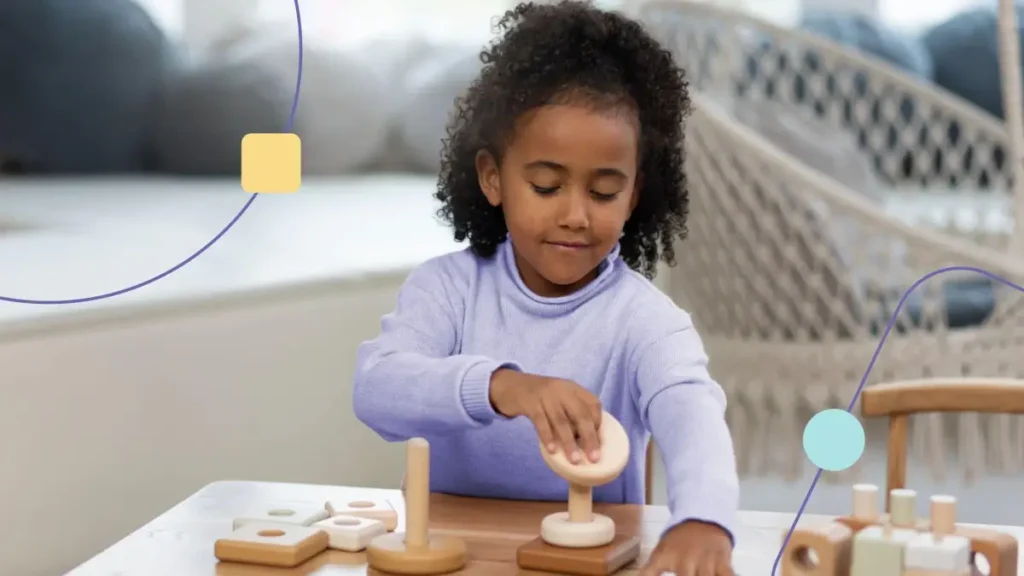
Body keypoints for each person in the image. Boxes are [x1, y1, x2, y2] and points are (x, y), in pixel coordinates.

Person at [352, 2, 739, 574]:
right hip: (457, 555)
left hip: (590, 561)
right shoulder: (448, 290)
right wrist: (505, 387)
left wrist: (704, 518)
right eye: (545, 184)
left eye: (605, 192)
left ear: (634, 197)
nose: (576, 215)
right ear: (493, 177)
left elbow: (693, 414)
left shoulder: (646, 321)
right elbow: (377, 388)